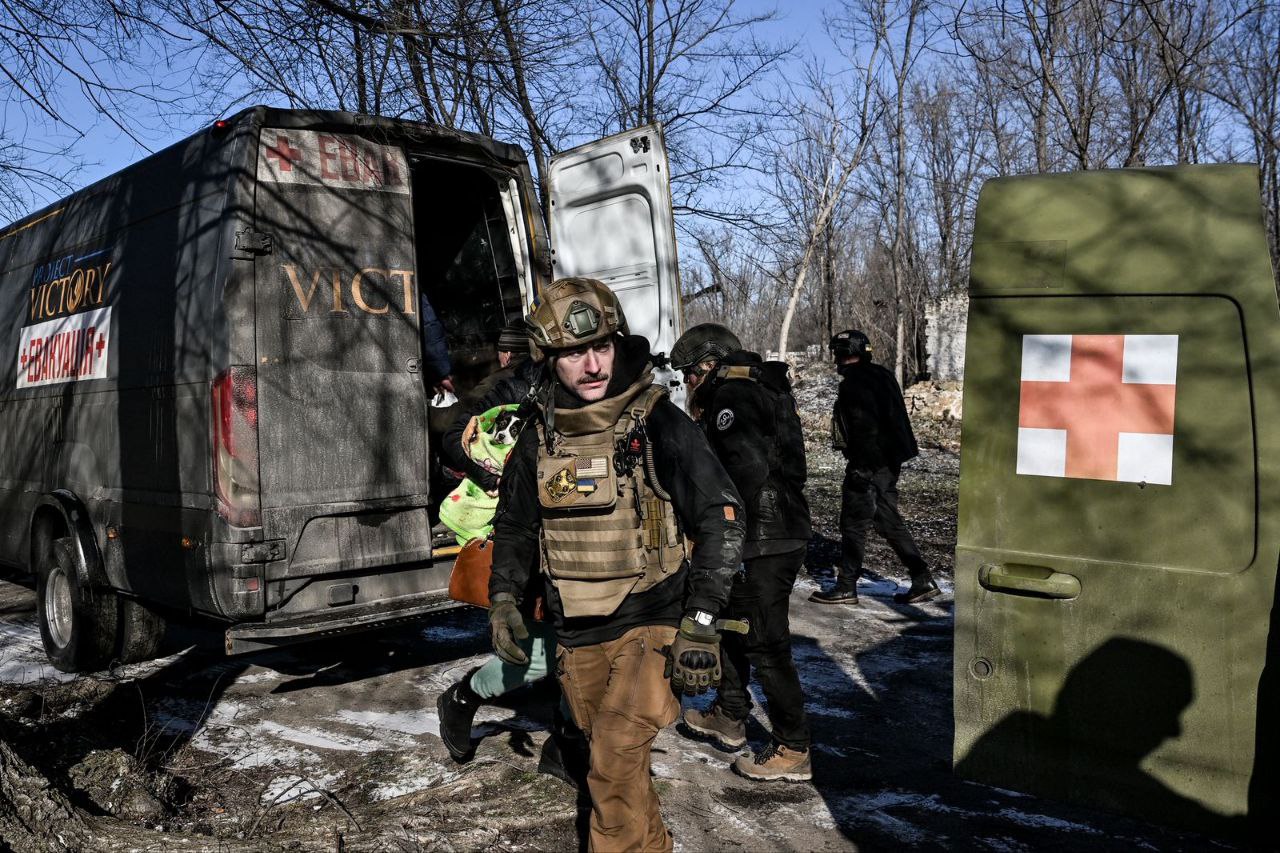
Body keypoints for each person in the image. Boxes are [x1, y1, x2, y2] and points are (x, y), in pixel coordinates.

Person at [488, 278, 745, 852]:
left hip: (654, 618)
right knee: (611, 764)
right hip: (578, 628)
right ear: (549, 358)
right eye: (574, 353)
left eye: (601, 346)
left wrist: (701, 619)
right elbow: (515, 526)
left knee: (612, 757)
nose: (593, 364)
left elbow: (721, 516)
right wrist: (504, 598)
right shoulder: (538, 434)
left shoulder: (657, 421)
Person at [669, 324, 814, 783]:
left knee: (767, 644)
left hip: (761, 536)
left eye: (690, 374)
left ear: (709, 363)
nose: (689, 384)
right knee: (732, 621)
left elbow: (743, 468)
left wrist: (715, 518)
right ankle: (730, 713)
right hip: (770, 530)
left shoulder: (733, 395)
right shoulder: (760, 388)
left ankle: (793, 746)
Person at [811, 329, 939, 605]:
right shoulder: (881, 375)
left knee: (853, 524)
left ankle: (846, 586)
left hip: (870, 464)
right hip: (888, 463)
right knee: (887, 520)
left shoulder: (855, 383)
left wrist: (862, 469)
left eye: (837, 352)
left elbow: (864, 428)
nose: (835, 358)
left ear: (846, 353)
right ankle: (922, 578)